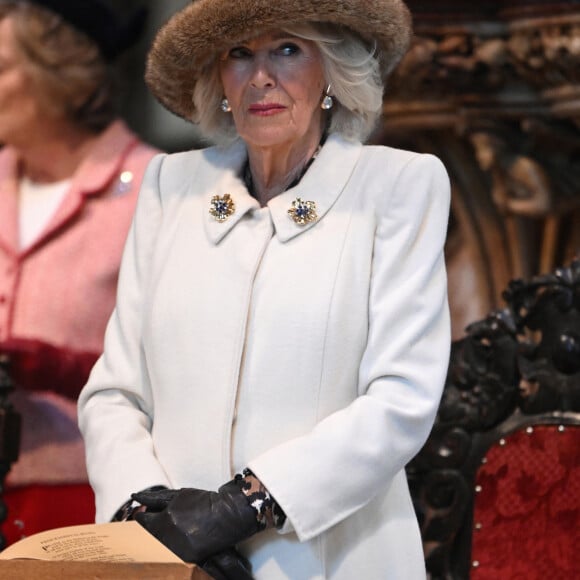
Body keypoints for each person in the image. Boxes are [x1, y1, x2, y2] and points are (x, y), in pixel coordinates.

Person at [78, 0, 451, 578]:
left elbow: (401, 399)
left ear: (331, 68)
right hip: (175, 564)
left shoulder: (398, 186)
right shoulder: (169, 186)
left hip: (333, 560)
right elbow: (115, 394)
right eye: (238, 54)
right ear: (219, 80)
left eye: (288, 49)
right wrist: (148, 513)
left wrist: (244, 505)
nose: (260, 77)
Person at [0, 0, 160, 546]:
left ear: (60, 75)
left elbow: (175, 369)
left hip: (82, 500)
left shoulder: (153, 189)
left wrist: (50, 365)